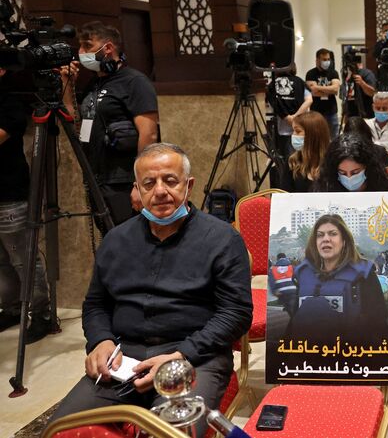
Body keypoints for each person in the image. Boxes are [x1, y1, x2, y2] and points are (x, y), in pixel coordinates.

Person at [48, 143, 253, 437]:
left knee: (171, 434)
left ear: (188, 185)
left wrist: (181, 355)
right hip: (122, 360)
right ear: (137, 190)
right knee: (60, 430)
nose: (159, 191)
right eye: (149, 183)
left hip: (193, 357)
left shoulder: (222, 240)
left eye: (170, 180)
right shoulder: (116, 240)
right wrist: (100, 341)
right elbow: (96, 304)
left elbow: (236, 314)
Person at [61, 21, 159, 232]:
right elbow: (77, 123)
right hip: (98, 178)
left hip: (124, 182)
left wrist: (141, 184)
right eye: (80, 47)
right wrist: (67, 85)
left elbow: (149, 135)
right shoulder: (93, 84)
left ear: (107, 48)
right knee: (111, 242)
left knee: (131, 243)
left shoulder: (134, 82)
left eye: (87, 46)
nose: (81, 53)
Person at [0, 68, 52, 342]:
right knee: (1, 262)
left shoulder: (9, 103)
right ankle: (9, 309)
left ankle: (41, 314)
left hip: (10, 194)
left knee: (24, 259)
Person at [288, 214, 388, 339]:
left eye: (332, 234)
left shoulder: (364, 274)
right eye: (320, 235)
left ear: (344, 240)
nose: (325, 239)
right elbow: (293, 324)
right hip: (306, 353)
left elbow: (379, 325)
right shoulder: (303, 275)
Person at [314, 134, 388, 194]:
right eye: (342, 173)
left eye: (355, 172)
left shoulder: (383, 189)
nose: (349, 178)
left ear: (367, 168)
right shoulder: (327, 189)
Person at [266, 63, 313, 159]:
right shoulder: (299, 81)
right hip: (301, 126)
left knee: (286, 159)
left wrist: (287, 117)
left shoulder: (273, 84)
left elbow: (273, 103)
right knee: (302, 157)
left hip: (283, 128)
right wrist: (296, 116)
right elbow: (309, 100)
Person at [282, 112, 331, 192]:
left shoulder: (333, 163)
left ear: (313, 135)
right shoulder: (292, 162)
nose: (293, 135)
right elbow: (285, 197)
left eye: (298, 131)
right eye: (293, 131)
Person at [305, 48, 341, 137]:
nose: (327, 62)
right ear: (317, 60)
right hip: (316, 111)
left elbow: (335, 89)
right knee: (317, 137)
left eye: (328, 59)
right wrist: (329, 89)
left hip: (331, 111)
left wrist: (317, 87)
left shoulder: (333, 73)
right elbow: (313, 92)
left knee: (334, 138)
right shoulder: (310, 73)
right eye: (324, 59)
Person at [340, 55, 377, 121]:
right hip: (350, 115)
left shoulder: (366, 73)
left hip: (366, 114)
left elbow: (371, 92)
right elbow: (343, 97)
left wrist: (362, 83)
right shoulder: (347, 76)